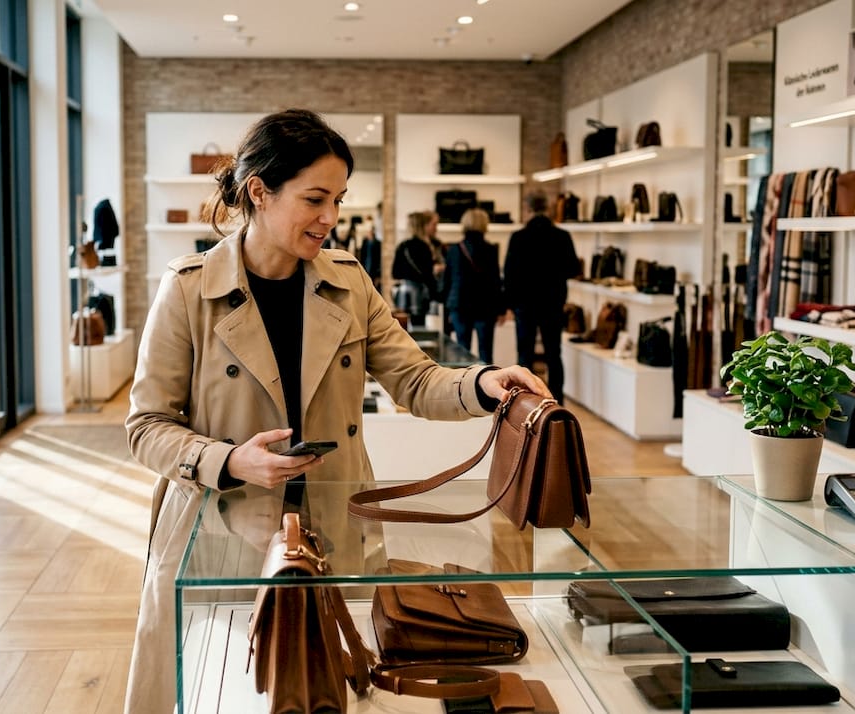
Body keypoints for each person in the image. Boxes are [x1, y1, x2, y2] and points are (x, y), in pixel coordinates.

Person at [122, 109, 548, 713]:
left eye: (339, 200)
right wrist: (229, 460)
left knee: (333, 692)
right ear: (259, 192)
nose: (332, 219)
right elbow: (145, 428)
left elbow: (415, 378)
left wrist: (483, 384)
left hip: (333, 528)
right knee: (231, 693)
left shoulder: (346, 282)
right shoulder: (189, 289)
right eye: (315, 199)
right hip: (224, 533)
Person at [504, 191, 579, 403]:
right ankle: (556, 402)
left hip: (524, 304)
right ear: (547, 208)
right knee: (553, 355)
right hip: (553, 302)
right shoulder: (561, 236)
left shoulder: (518, 237)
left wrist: (509, 304)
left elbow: (509, 274)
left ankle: (526, 402)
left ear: (527, 208)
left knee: (525, 355)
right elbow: (573, 268)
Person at [439, 208, 504, 362]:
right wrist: (501, 308)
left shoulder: (454, 250)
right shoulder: (490, 250)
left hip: (460, 305)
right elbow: (495, 281)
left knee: (462, 351)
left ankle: (462, 385)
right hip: (485, 307)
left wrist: (446, 303)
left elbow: (447, 280)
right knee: (486, 351)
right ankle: (486, 384)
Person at [391, 211, 442, 327]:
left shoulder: (403, 246)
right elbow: (428, 275)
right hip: (423, 293)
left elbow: (395, 272)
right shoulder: (424, 247)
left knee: (406, 328)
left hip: (405, 294)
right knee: (424, 328)